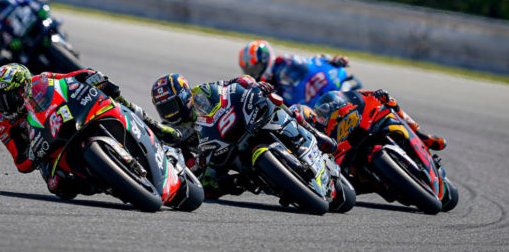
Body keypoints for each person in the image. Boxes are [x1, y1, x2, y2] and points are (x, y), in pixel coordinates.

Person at [0, 62, 182, 200]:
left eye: (8, 98)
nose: (4, 106)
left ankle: (154, 127)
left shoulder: (43, 79)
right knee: (58, 186)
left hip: (67, 120)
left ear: (24, 89)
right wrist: (33, 152)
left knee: (113, 96)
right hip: (48, 153)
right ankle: (111, 185)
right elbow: (20, 163)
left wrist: (90, 75)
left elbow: (69, 78)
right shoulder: (1, 125)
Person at [149, 72, 336, 199]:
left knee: (289, 107)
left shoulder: (203, 91)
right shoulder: (173, 130)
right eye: (164, 109)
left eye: (171, 106)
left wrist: (252, 84)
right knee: (209, 188)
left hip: (238, 127)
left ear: (183, 96)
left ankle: (314, 134)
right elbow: (183, 163)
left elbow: (233, 84)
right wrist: (197, 165)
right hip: (220, 158)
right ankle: (246, 183)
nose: (169, 114)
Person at [239, 39, 445, 151]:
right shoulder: (268, 88)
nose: (255, 71)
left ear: (266, 59)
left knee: (382, 100)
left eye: (256, 65)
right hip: (317, 116)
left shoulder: (285, 63)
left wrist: (332, 60)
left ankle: (420, 135)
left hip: (334, 93)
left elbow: (312, 60)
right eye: (251, 68)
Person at [315, 88, 446, 152]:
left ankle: (422, 136)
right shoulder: (323, 129)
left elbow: (370, 93)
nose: (324, 113)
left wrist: (380, 95)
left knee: (390, 107)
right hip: (349, 151)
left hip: (368, 127)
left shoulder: (351, 98)